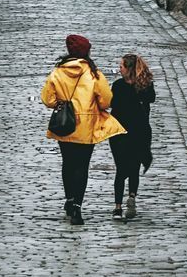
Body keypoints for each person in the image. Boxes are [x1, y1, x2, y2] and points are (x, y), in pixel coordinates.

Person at [40, 34, 125, 226]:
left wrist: (62, 103)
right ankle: (77, 207)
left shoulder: (58, 72)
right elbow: (106, 100)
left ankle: (69, 199)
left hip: (65, 125)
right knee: (81, 166)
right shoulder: (94, 74)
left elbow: (47, 99)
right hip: (86, 126)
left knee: (68, 163)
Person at [108, 53, 155, 221]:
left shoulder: (118, 86)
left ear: (128, 69)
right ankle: (132, 196)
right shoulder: (145, 85)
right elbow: (151, 99)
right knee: (134, 167)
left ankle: (118, 207)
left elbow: (111, 105)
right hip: (140, 131)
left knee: (121, 169)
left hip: (119, 132)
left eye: (121, 66)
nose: (119, 69)